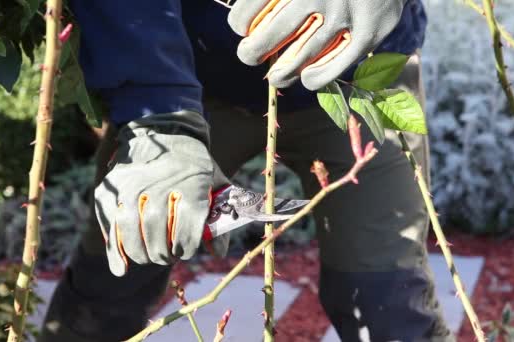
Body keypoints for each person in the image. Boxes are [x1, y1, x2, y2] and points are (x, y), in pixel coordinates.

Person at [40, 0, 455, 341]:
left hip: (357, 69)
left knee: (390, 302)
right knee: (115, 276)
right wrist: (158, 113)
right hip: (189, 80)